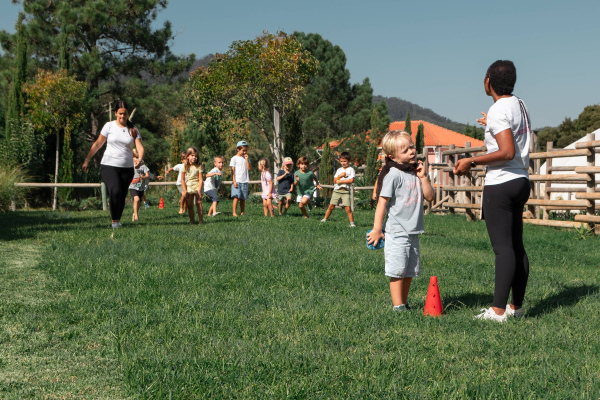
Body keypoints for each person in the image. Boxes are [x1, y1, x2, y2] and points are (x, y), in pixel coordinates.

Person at [454, 60, 531, 322]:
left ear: (488, 81)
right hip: (521, 181)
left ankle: (498, 311)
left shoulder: (498, 109)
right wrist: (491, 123)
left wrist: (471, 161)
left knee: (503, 249)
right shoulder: (519, 104)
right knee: (517, 246)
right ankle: (516, 308)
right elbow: (513, 135)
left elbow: (507, 151)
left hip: (501, 184)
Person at [367, 131, 434, 312]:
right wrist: (376, 229)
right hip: (397, 232)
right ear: (393, 156)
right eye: (405, 150)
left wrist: (423, 177)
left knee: (409, 272)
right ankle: (398, 307)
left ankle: (404, 303)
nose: (412, 152)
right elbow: (382, 203)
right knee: (397, 272)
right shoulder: (394, 175)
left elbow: (430, 197)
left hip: (413, 232)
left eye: (412, 147)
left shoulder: (415, 173)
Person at [82, 100, 144, 228]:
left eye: (125, 114)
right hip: (109, 165)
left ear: (127, 114)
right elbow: (98, 144)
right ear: (115, 113)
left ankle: (117, 220)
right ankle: (115, 222)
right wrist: (87, 159)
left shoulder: (133, 129)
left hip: (127, 168)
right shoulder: (109, 126)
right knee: (115, 190)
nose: (122, 116)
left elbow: (140, 148)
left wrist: (140, 159)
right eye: (120, 113)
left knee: (121, 194)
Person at [321, 151, 356, 227]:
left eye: (345, 161)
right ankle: (325, 219)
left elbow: (351, 180)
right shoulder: (339, 170)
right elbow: (335, 181)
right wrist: (340, 176)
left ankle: (352, 224)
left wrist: (341, 181)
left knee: (348, 209)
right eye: (341, 161)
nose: (343, 163)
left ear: (349, 161)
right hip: (337, 191)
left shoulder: (351, 169)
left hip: (345, 191)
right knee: (331, 206)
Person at [181, 147, 204, 225]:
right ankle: (192, 221)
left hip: (198, 186)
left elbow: (201, 179)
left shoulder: (199, 166)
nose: (194, 157)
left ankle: (201, 221)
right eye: (192, 155)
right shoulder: (184, 166)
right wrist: (184, 190)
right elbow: (183, 180)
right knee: (190, 205)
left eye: (196, 155)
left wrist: (199, 191)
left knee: (198, 203)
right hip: (189, 187)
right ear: (187, 156)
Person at [230, 140, 251, 217]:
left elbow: (249, 168)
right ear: (238, 149)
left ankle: (242, 212)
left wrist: (246, 160)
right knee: (236, 197)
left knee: (243, 198)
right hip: (237, 181)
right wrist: (234, 181)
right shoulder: (234, 158)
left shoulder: (246, 158)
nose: (245, 152)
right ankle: (234, 212)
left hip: (245, 181)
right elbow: (233, 171)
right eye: (243, 150)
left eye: (246, 150)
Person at [129, 149, 149, 222]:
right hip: (132, 186)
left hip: (140, 187)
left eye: (137, 158)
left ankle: (135, 213)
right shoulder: (130, 165)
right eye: (134, 158)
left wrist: (143, 177)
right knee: (136, 199)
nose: (136, 160)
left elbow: (148, 176)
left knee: (138, 202)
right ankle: (137, 216)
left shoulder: (143, 166)